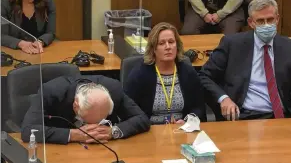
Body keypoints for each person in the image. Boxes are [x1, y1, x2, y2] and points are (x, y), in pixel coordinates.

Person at [198, 0, 291, 121]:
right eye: (260, 21)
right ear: (251, 23)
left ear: (277, 19)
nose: (266, 25)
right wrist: (223, 98)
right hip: (243, 115)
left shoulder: (288, 46)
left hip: (280, 115)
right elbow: (205, 76)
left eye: (270, 20)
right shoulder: (232, 44)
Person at [21, 75, 151, 144]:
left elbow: (142, 119)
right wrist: (74, 135)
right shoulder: (51, 92)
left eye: (100, 122)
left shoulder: (114, 89)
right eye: (89, 123)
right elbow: (28, 130)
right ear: (75, 106)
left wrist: (113, 132)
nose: (93, 129)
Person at [124, 22, 206, 124]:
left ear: (177, 45)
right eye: (162, 43)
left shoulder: (187, 71)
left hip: (181, 130)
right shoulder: (140, 73)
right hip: (150, 131)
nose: (168, 47)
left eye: (171, 42)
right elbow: (128, 108)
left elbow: (199, 106)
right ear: (154, 49)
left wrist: (187, 121)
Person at [181, 0, 246, 35]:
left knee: (230, 35)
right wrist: (204, 13)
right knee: (188, 32)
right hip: (201, 4)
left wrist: (221, 14)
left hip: (230, 7)